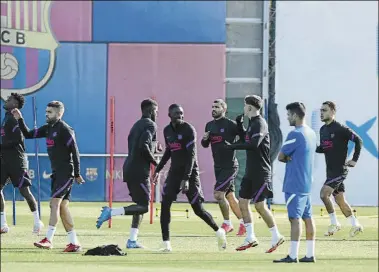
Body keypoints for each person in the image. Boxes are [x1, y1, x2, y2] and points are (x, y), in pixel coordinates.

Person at [12, 101, 84, 252]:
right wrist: (20, 119)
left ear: (59, 114)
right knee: (63, 207)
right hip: (57, 173)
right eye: (46, 111)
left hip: (66, 173)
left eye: (50, 112)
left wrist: (77, 173)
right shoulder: (48, 129)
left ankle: (48, 239)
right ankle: (74, 242)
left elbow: (75, 152)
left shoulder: (65, 129)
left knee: (54, 204)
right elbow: (28, 134)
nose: (46, 114)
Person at [153, 104, 227, 252]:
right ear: (169, 115)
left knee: (198, 210)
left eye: (181, 113)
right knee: (165, 204)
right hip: (174, 173)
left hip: (190, 173)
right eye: (176, 114)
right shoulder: (167, 130)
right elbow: (169, 151)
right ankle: (166, 244)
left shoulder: (189, 129)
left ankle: (219, 232)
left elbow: (191, 156)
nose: (180, 116)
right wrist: (158, 169)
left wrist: (186, 178)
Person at [96, 99, 159, 249]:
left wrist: (153, 149)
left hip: (130, 168)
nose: (157, 114)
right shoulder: (151, 124)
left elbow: (141, 145)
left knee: (139, 206)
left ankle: (132, 240)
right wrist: (156, 163)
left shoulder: (136, 125)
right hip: (139, 171)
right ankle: (112, 212)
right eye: (156, 111)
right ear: (151, 111)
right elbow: (143, 146)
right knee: (144, 207)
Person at [225, 95, 284, 253]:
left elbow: (253, 144)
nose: (244, 108)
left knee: (259, 205)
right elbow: (247, 138)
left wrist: (233, 147)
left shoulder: (260, 123)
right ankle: (250, 236)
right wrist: (239, 125)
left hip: (261, 172)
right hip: (250, 172)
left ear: (249, 107)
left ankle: (276, 235)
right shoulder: (252, 124)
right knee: (243, 202)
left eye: (245, 105)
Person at [274, 102, 317, 263]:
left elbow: (281, 156)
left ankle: (292, 256)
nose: (287, 118)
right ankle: (310, 254)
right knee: (308, 217)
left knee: (294, 218)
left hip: (294, 183)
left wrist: (288, 158)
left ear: (295, 115)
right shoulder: (311, 133)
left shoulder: (295, 134)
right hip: (306, 183)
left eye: (288, 115)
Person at [317, 101, 363, 237]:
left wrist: (354, 159)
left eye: (324, 110)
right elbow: (323, 148)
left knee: (323, 194)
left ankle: (334, 223)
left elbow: (359, 140)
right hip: (330, 171)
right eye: (321, 110)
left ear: (332, 112)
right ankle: (356, 225)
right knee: (340, 200)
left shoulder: (340, 128)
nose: (321, 113)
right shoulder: (322, 130)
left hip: (339, 171)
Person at [201, 99, 245, 235]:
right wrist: (204, 139)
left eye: (217, 107)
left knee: (218, 195)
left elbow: (244, 138)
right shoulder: (209, 125)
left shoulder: (230, 125)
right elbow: (205, 145)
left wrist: (234, 143)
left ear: (224, 109)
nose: (214, 109)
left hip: (230, 166)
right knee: (230, 196)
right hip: (218, 167)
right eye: (213, 106)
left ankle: (227, 223)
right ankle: (244, 224)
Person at [1, 93, 43, 234]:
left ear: (16, 104)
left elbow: (18, 140)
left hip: (17, 161)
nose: (6, 100)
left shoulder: (14, 119)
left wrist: (2, 145)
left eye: (10, 99)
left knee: (24, 191)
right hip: (4, 160)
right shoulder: (6, 117)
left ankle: (37, 221)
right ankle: (3, 224)